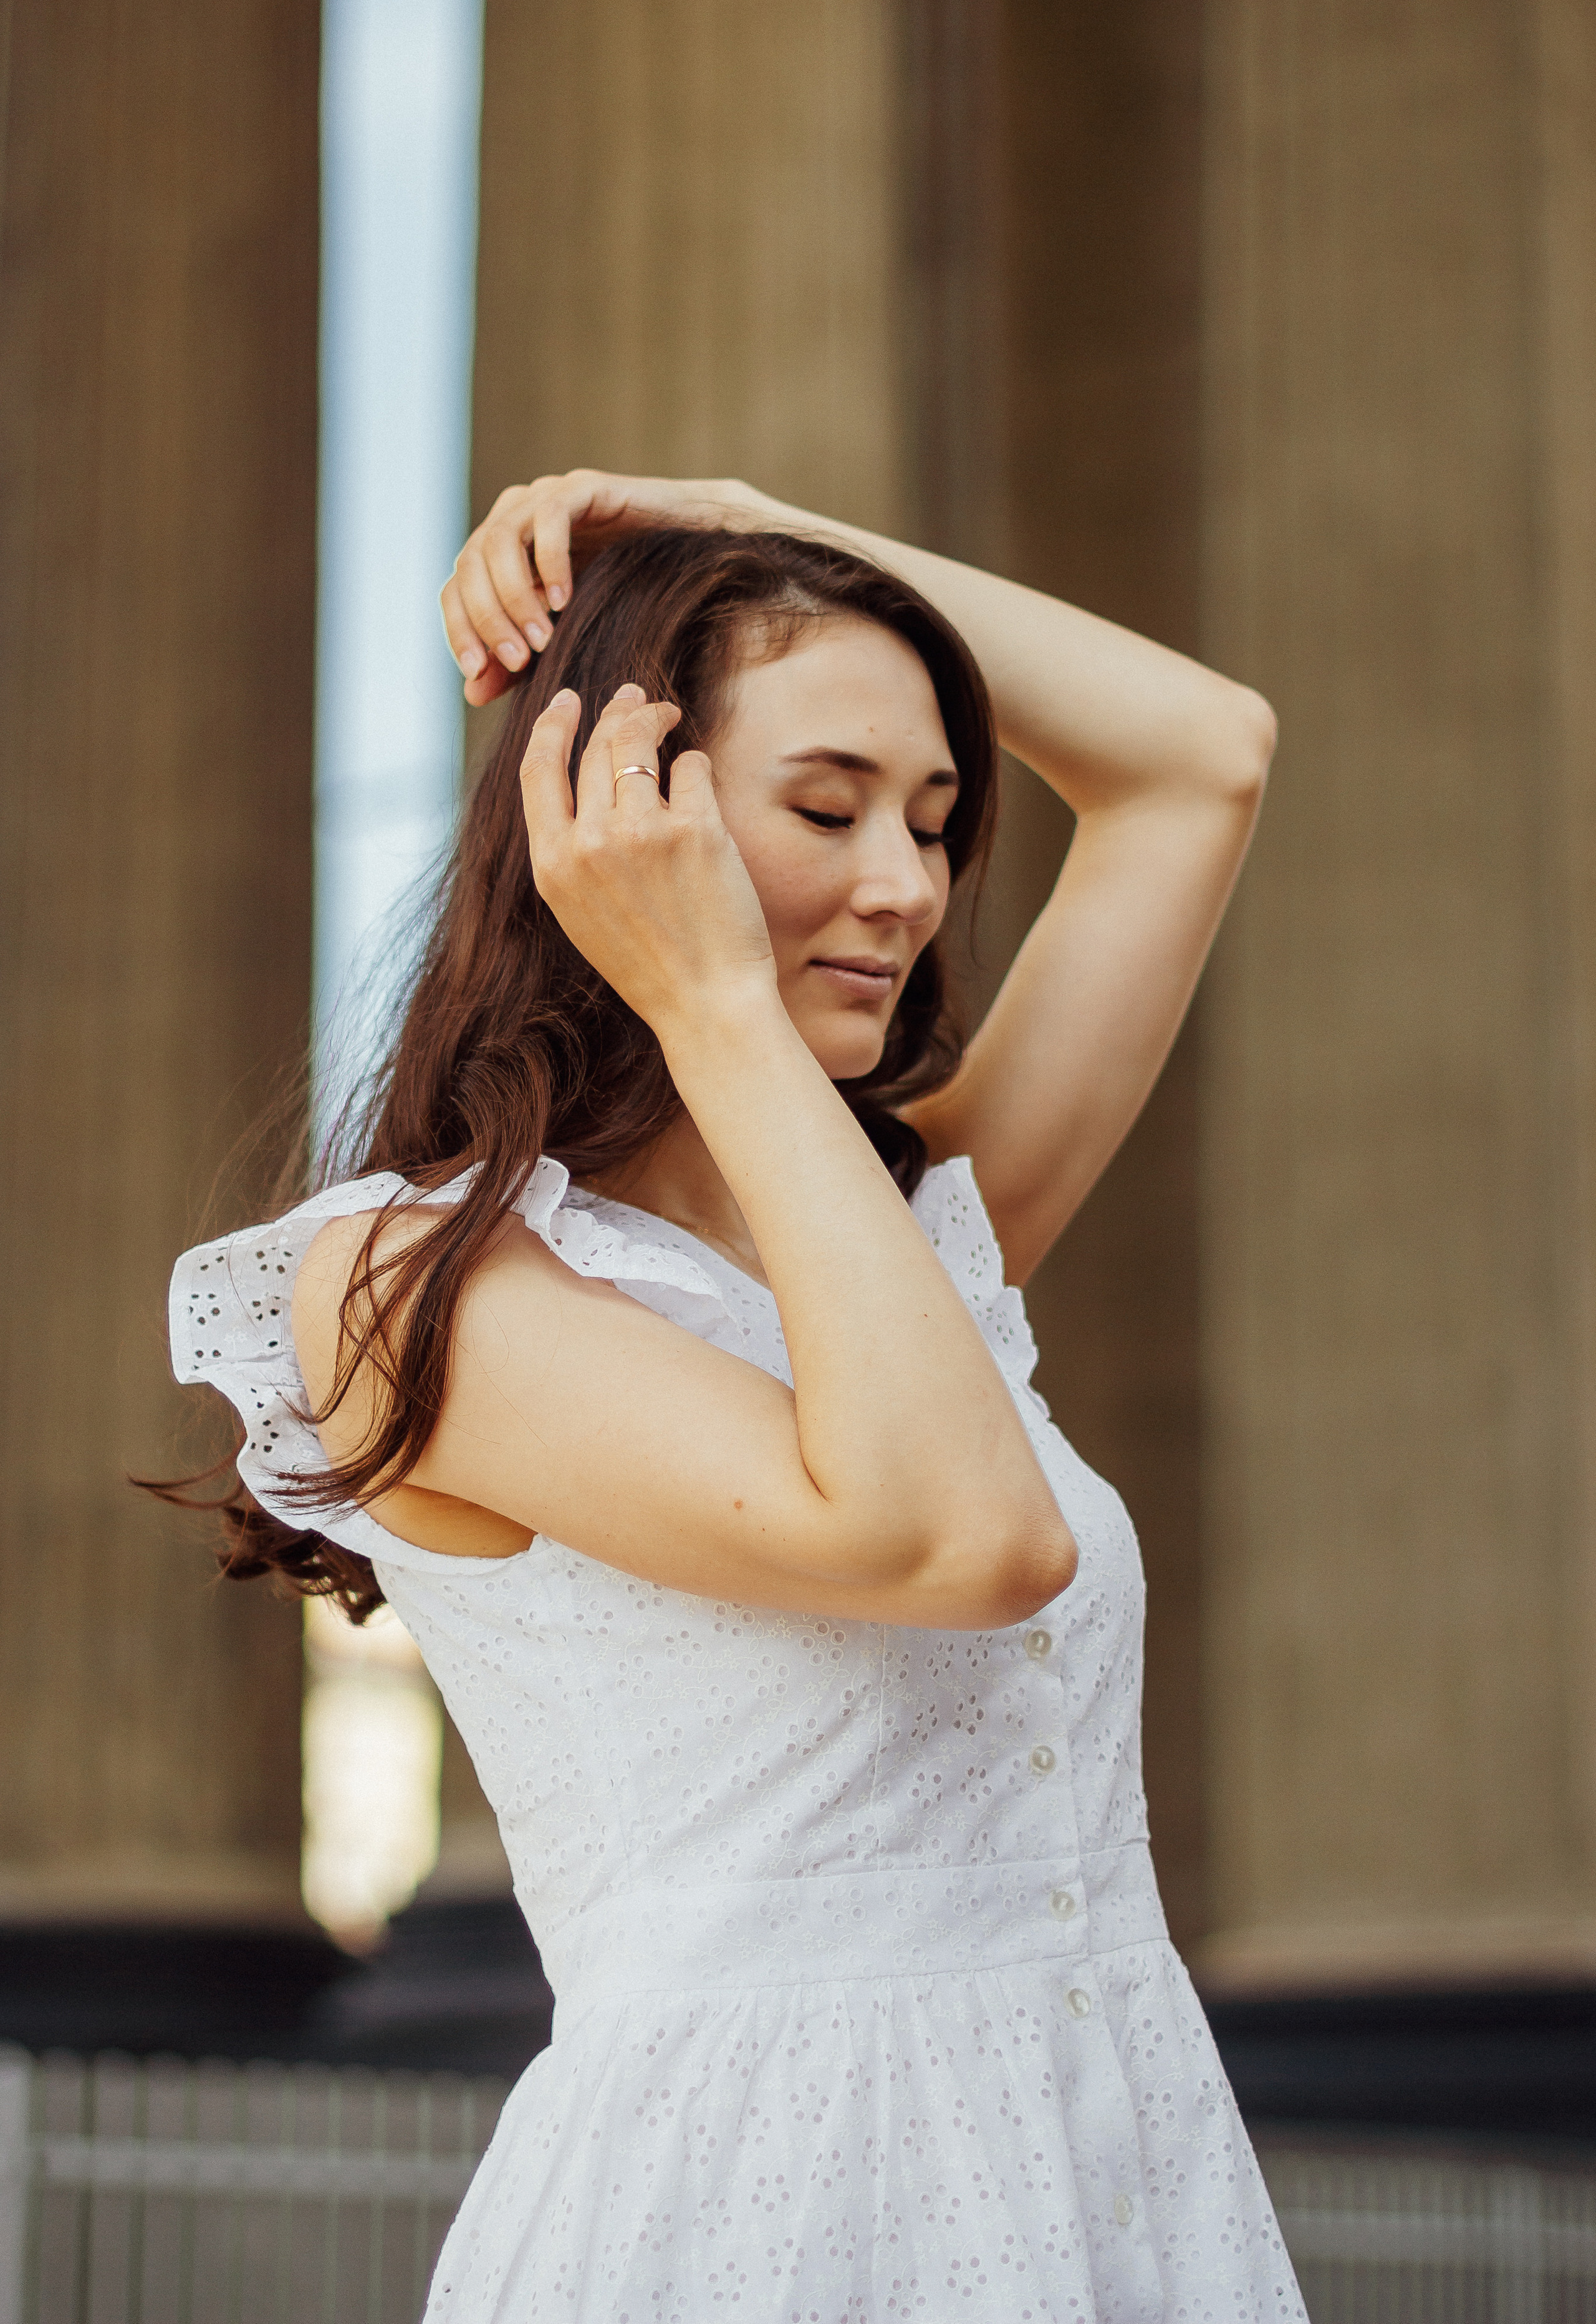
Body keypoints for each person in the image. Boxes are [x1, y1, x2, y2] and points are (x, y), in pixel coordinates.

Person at [165, 470, 1305, 2321]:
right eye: (828, 806)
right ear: (619, 814)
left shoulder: (909, 1229)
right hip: (748, 2221)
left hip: (1116, 2189)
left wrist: (747, 521)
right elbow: (960, 1535)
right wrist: (710, 1003)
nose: (907, 888)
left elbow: (1202, 755)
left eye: (936, 822)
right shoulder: (403, 1284)